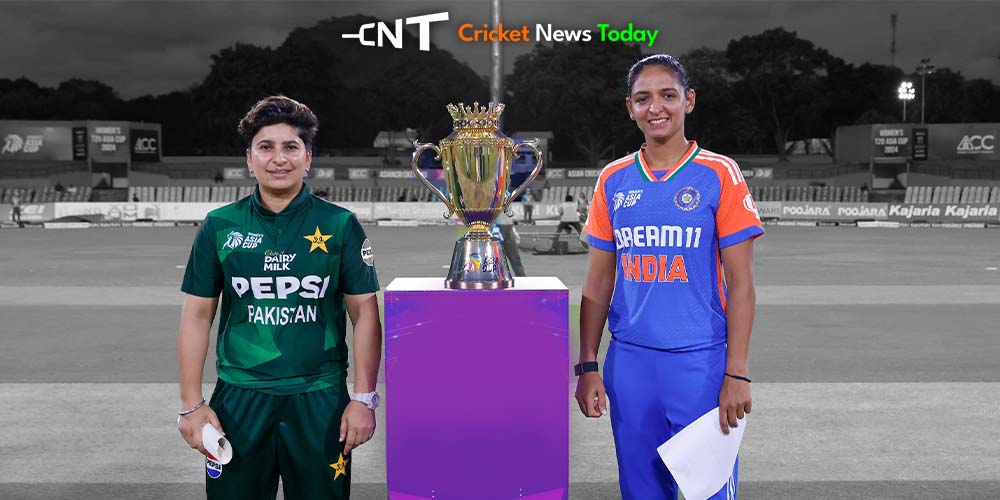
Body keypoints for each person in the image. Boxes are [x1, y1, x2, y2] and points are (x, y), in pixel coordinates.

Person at [574, 54, 763, 500]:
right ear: (630, 108)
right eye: (643, 99)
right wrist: (586, 365)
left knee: (709, 493)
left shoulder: (719, 173)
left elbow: (741, 282)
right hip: (631, 366)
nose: (655, 107)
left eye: (667, 95)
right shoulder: (613, 179)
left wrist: (737, 371)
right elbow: (598, 284)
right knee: (642, 492)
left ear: (688, 101)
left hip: (700, 365)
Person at [177, 95, 382, 500]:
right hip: (239, 399)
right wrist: (190, 405)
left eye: (291, 147)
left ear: (309, 158)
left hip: (320, 400)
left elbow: (365, 315)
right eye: (265, 147)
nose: (278, 158)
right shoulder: (220, 226)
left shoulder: (340, 224)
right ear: (249, 159)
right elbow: (197, 316)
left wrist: (363, 398)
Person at [496, 209, 526, 276]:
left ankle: (523, 281)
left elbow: (508, 213)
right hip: (496, 228)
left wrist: (513, 229)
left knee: (515, 258)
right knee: (496, 259)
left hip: (508, 229)